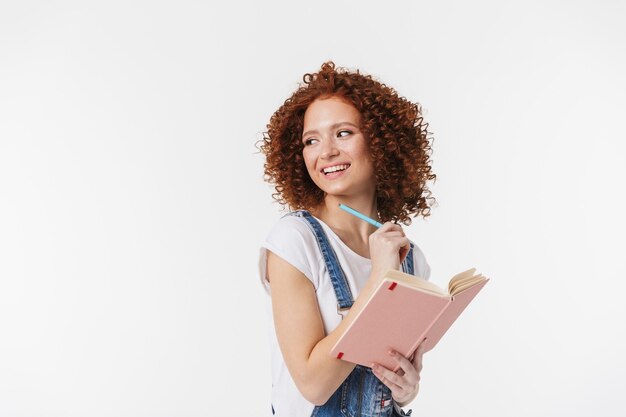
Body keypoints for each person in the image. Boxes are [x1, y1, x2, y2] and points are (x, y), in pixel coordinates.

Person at [258, 61, 436, 417]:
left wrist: (407, 390)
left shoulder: (410, 258)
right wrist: (379, 282)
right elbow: (313, 384)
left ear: (381, 142)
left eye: (343, 133)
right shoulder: (295, 241)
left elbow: (392, 380)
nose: (326, 151)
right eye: (312, 140)